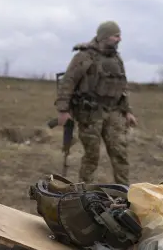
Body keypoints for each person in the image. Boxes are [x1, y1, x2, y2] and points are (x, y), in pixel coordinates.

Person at [55, 20, 137, 186]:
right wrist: (63, 110)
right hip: (90, 114)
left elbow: (122, 86)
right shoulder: (84, 56)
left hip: (113, 112)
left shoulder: (116, 59)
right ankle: (84, 192)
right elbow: (68, 83)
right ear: (104, 37)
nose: (119, 39)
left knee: (120, 153)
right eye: (116, 36)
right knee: (92, 156)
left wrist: (127, 111)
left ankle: (125, 192)